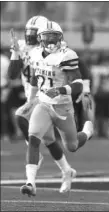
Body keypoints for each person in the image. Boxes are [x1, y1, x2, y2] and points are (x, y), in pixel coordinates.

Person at [19, 21, 90, 197]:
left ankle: (87, 131)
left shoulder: (66, 55)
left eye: (54, 37)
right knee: (33, 138)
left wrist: (60, 90)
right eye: (47, 37)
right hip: (43, 104)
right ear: (40, 39)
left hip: (63, 106)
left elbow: (78, 84)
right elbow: (36, 78)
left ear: (61, 38)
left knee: (71, 146)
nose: (51, 41)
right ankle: (30, 183)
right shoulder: (35, 53)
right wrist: (31, 100)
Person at [8, 16, 76, 195]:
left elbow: (73, 72)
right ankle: (66, 170)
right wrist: (15, 53)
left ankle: (34, 158)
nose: (29, 37)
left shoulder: (59, 50)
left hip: (48, 96)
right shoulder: (24, 48)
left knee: (20, 116)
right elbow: (13, 75)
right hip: (34, 94)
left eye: (33, 33)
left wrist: (81, 89)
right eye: (28, 33)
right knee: (49, 140)